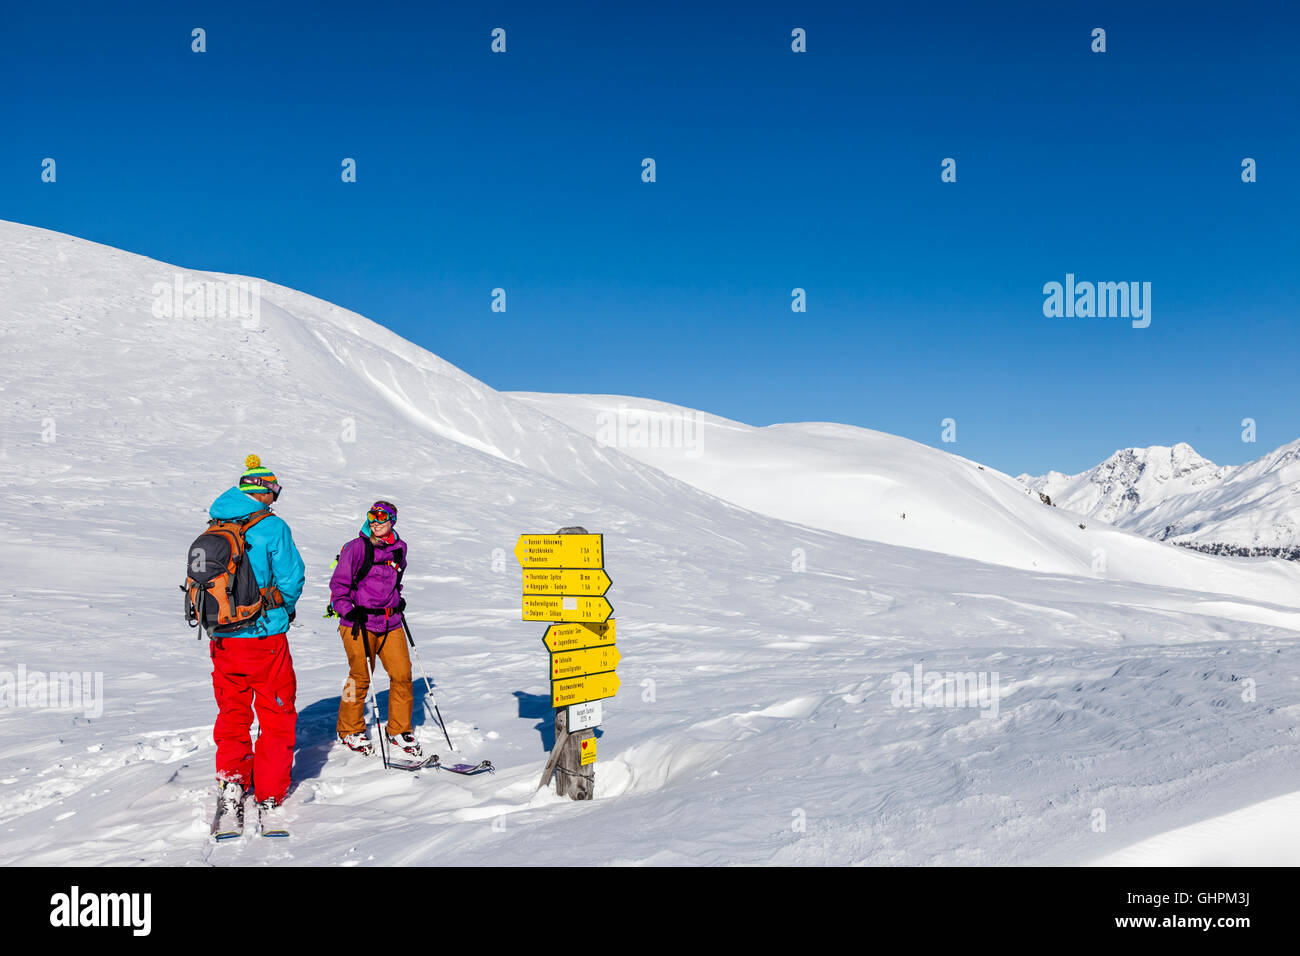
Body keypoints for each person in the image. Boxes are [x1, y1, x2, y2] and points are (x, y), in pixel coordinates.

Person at [207, 454, 305, 825]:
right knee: (276, 712)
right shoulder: (272, 527)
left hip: (222, 639)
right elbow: (292, 577)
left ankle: (232, 781)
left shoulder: (216, 522)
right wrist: (284, 608)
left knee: (232, 712)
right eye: (274, 491)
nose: (275, 498)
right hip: (265, 638)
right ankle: (269, 791)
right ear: (261, 490)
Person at [329, 500, 422, 758]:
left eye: (382, 517)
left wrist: (397, 597)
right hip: (358, 621)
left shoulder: (399, 549)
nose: (376, 521)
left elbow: (396, 579)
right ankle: (349, 728)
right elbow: (339, 584)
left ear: (392, 520)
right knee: (359, 677)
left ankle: (399, 729)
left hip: (390, 621)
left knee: (402, 673)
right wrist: (347, 608)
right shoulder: (356, 547)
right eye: (372, 516)